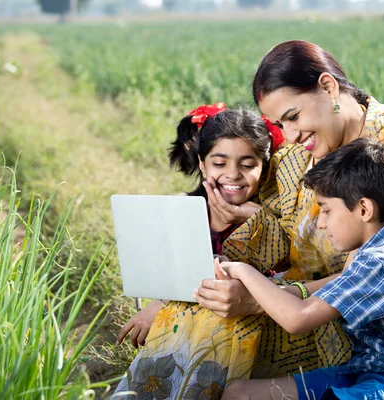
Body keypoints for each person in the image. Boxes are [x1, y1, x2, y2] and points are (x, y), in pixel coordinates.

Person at [197, 39, 384, 376]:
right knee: (195, 317)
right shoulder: (300, 158)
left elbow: (371, 277)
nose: (289, 136)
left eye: (293, 117)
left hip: (368, 344)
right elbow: (279, 231)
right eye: (280, 125)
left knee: (213, 347)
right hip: (299, 305)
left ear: (329, 87)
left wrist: (262, 299)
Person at [221, 138, 384, 400]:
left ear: (364, 209)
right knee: (239, 394)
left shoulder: (380, 261)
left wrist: (243, 270)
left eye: (326, 210)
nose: (320, 223)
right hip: (373, 372)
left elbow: (296, 319)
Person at [113, 103, 280, 398]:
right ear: (202, 164)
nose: (233, 175)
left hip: (247, 331)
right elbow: (166, 273)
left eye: (248, 164)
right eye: (220, 163)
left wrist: (256, 221)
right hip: (186, 324)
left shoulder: (268, 218)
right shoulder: (185, 210)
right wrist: (158, 304)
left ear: (263, 168)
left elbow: (279, 276)